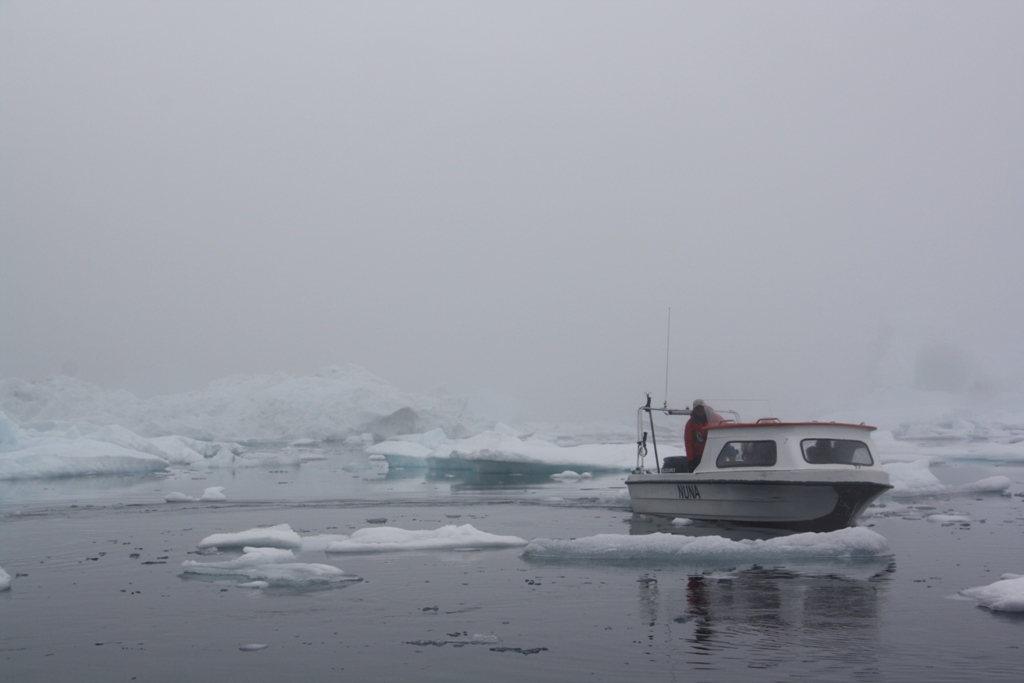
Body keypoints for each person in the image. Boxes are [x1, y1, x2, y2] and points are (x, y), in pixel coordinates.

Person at [684, 399, 721, 472]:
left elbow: (725, 430)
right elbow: (689, 442)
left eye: (701, 407)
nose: (700, 410)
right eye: (697, 408)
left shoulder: (715, 418)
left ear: (705, 407)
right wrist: (691, 460)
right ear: (694, 410)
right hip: (700, 454)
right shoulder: (690, 423)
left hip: (717, 452)